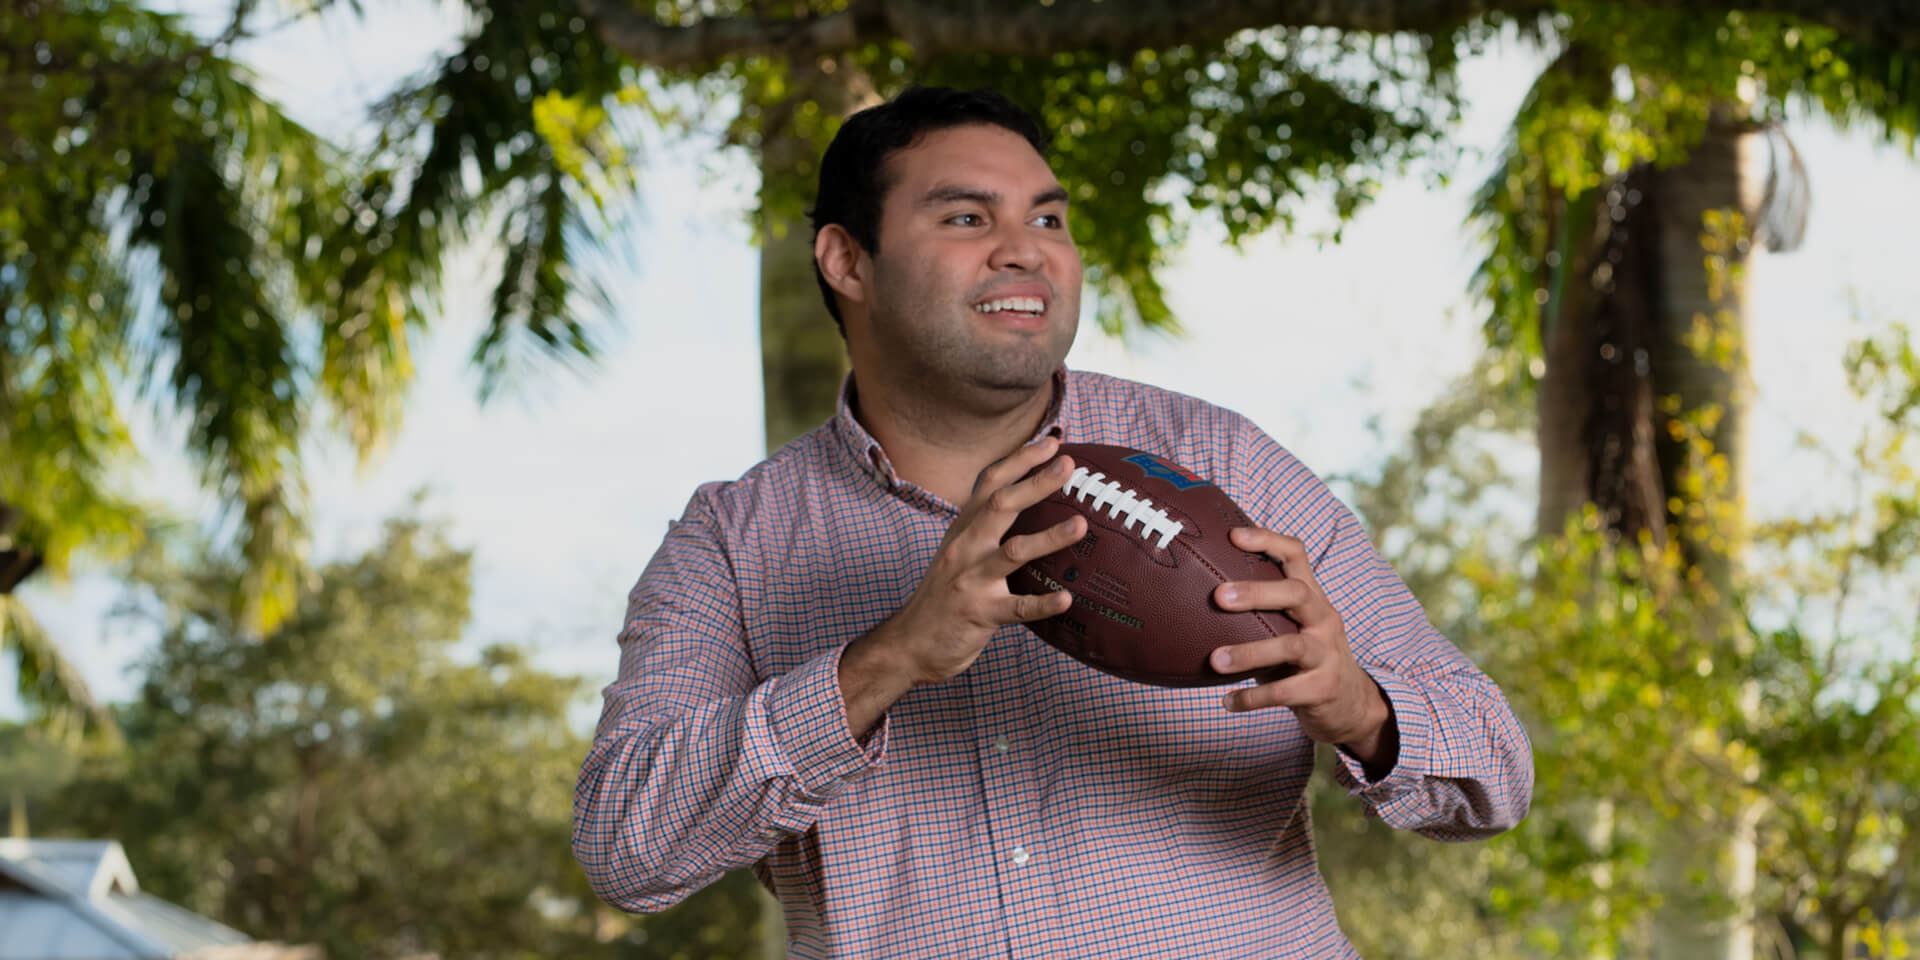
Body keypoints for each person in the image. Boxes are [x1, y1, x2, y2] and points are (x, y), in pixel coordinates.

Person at [573, 85, 1533, 959]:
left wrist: (1362, 708)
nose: (1026, 247)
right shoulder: (731, 543)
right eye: (965, 216)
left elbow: (1496, 770)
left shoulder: (1223, 463)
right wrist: (891, 658)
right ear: (846, 260)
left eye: (1048, 217)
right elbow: (627, 848)